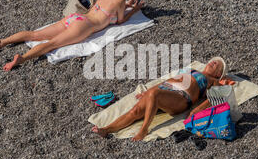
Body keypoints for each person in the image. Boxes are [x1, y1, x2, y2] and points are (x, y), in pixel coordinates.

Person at [0, 0, 144, 71]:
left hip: (76, 17)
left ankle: (2, 42)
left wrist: (127, 5)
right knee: (51, 44)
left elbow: (102, 7)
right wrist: (134, 9)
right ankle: (23, 58)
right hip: (85, 26)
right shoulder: (119, 0)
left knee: (35, 34)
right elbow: (120, 21)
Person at [92, 57, 228, 141]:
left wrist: (196, 111)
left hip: (181, 98)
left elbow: (213, 98)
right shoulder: (192, 69)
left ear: (218, 74)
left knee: (154, 95)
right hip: (166, 90)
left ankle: (144, 129)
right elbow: (171, 80)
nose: (213, 62)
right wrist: (148, 92)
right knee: (135, 111)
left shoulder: (212, 80)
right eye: (213, 61)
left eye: (217, 65)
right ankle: (107, 129)